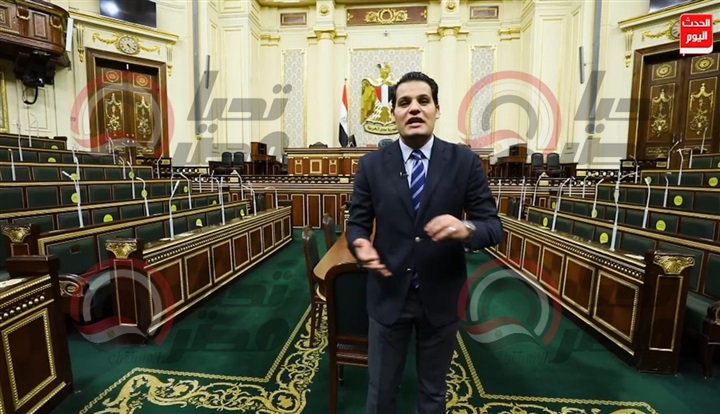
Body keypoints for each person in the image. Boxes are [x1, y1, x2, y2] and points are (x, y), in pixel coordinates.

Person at [346, 71, 502, 414]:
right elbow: (357, 224)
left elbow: (493, 226)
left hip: (442, 296)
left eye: (423, 101)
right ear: (393, 113)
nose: (414, 108)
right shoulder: (371, 165)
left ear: (437, 110)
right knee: (380, 393)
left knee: (433, 394)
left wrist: (466, 229)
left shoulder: (464, 162)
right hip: (388, 294)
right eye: (404, 102)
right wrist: (360, 245)